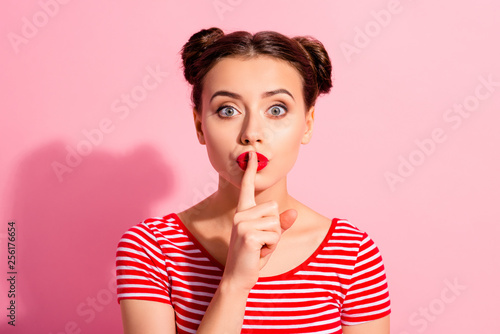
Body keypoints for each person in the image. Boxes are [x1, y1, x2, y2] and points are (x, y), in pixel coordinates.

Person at [116, 27, 391, 333]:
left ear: (308, 124)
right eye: (228, 110)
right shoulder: (151, 249)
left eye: (276, 109)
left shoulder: (351, 253)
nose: (251, 133)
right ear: (199, 125)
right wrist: (234, 283)